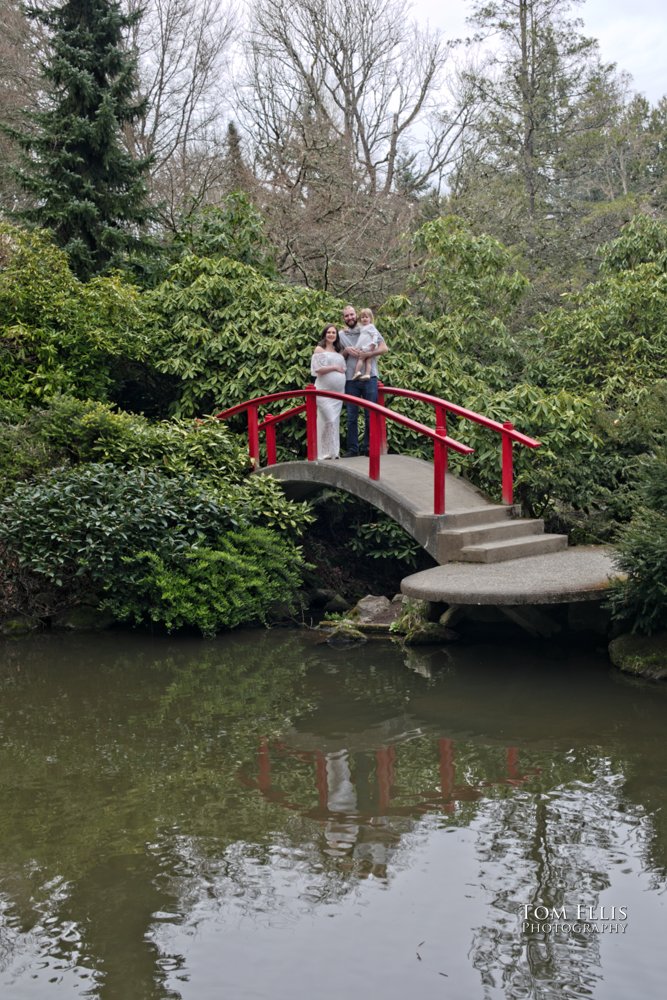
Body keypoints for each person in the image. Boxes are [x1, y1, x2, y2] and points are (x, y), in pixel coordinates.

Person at [339, 304, 388, 456]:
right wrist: (346, 351)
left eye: (352, 314)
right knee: (351, 415)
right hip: (350, 379)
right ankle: (353, 449)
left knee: (370, 414)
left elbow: (384, 348)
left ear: (357, 315)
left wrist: (368, 355)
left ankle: (369, 447)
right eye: (347, 316)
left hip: (370, 376)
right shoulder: (341, 334)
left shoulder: (368, 327)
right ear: (344, 318)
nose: (350, 318)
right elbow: (336, 357)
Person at [310, 324, 346, 460]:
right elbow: (318, 369)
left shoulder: (338, 351)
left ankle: (333, 453)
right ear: (325, 334)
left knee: (334, 422)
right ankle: (323, 453)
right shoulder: (319, 349)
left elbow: (343, 369)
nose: (331, 335)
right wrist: (335, 367)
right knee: (329, 420)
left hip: (338, 394)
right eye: (329, 332)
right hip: (323, 391)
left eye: (334, 333)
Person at [351, 308, 381, 381]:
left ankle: (357, 372)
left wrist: (373, 343)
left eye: (366, 317)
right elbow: (355, 329)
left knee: (361, 359)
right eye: (362, 317)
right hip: (367, 346)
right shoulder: (362, 327)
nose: (364, 319)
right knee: (368, 361)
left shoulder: (371, 326)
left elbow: (375, 335)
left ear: (370, 318)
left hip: (368, 346)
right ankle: (367, 374)